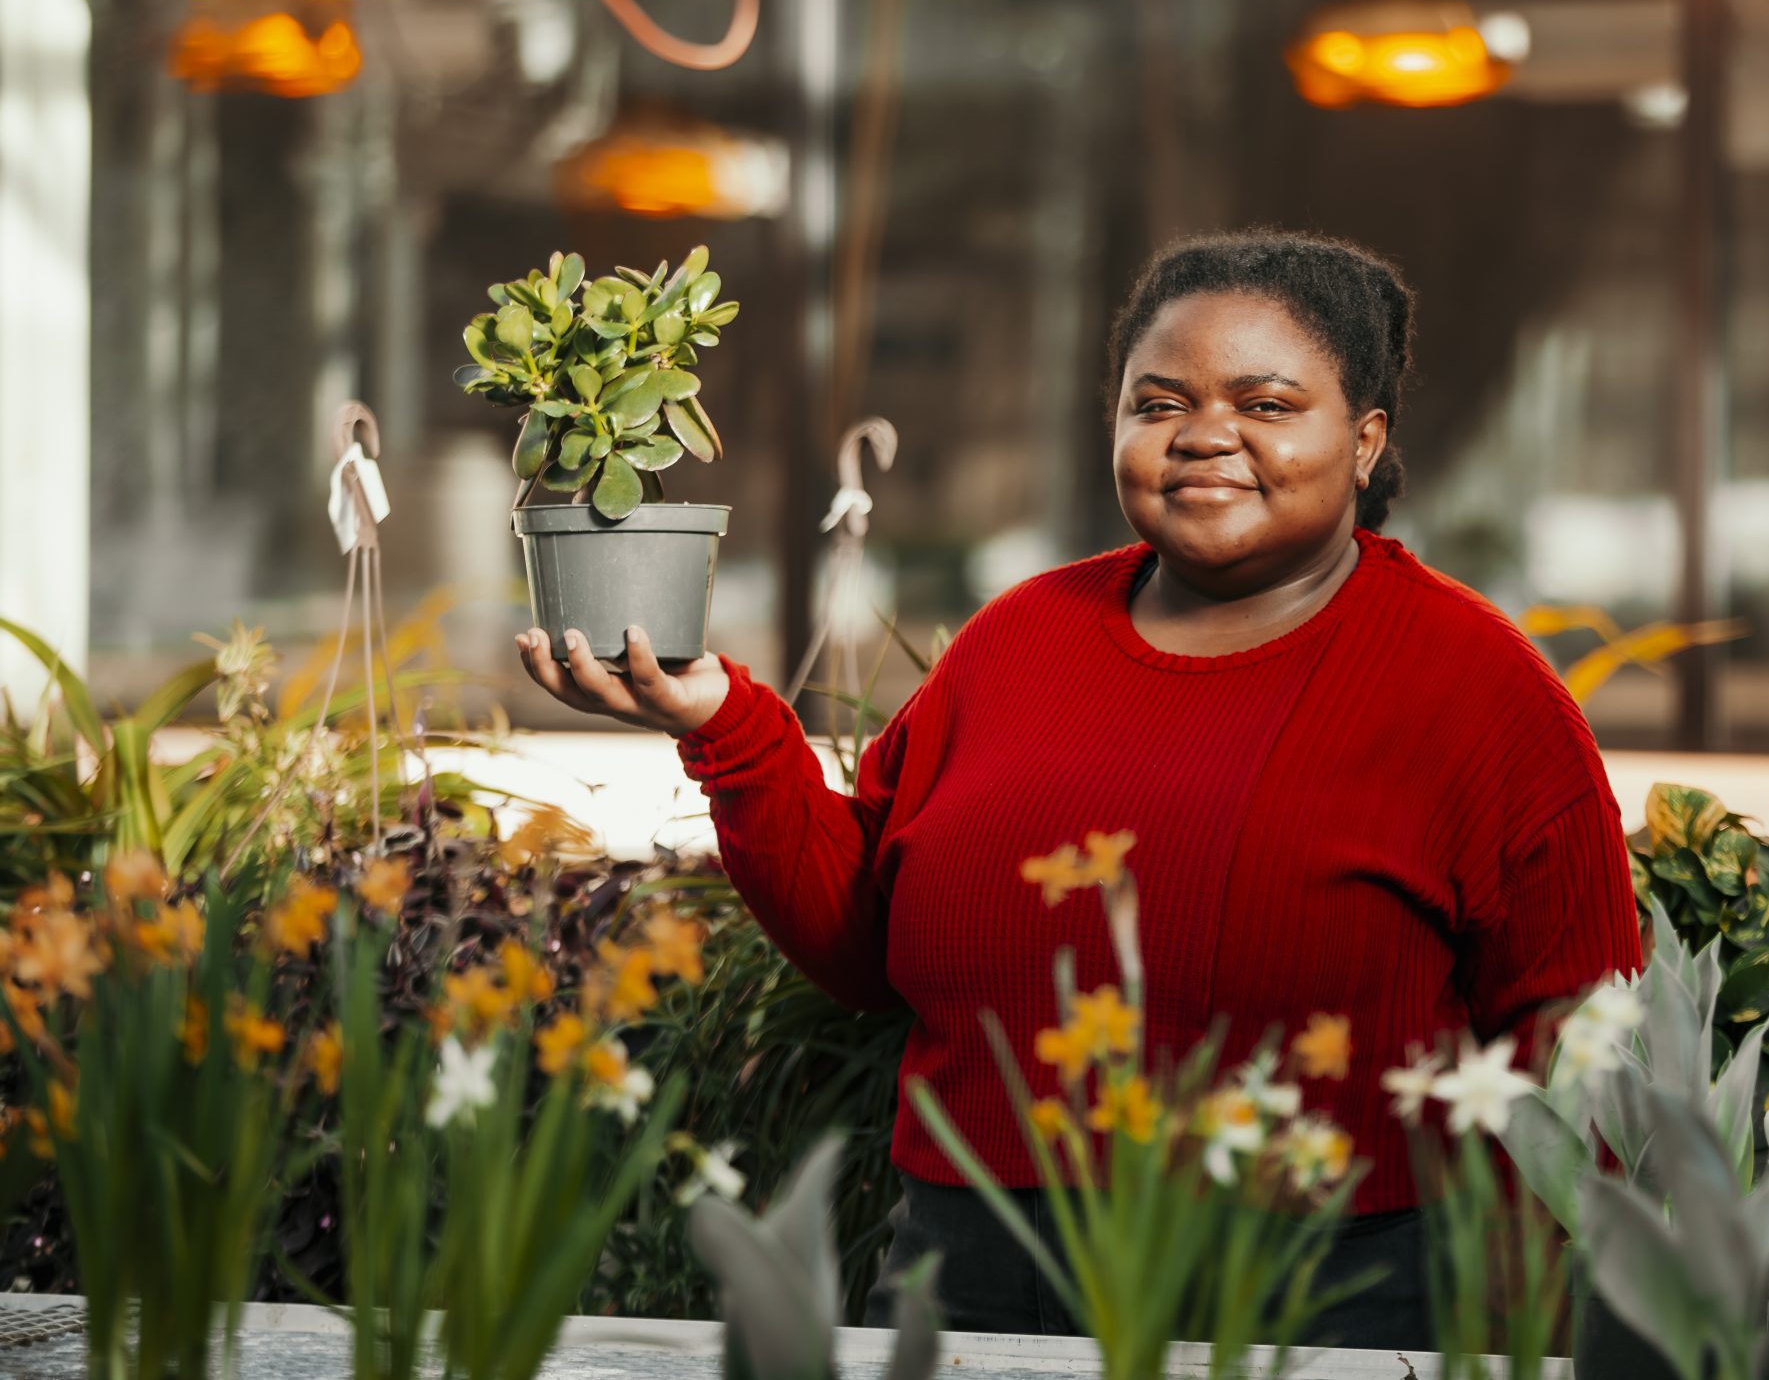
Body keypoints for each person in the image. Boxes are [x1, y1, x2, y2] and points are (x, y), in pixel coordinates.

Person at [515, 229, 1642, 1349]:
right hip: (967, 1280)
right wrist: (725, 727)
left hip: (1319, 1303)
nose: (1204, 434)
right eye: (1159, 403)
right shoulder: (1018, 642)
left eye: (1265, 404)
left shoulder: (1480, 692)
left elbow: (1585, 1074)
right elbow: (863, 943)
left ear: (1364, 440)